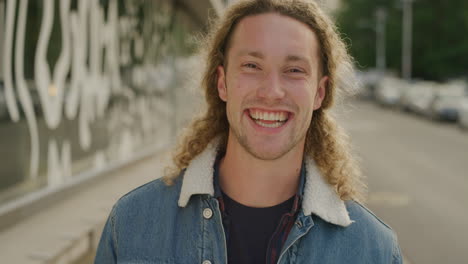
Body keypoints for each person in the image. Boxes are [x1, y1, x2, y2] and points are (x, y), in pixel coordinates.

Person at [95, 0, 402, 263]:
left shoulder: (372, 250)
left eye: (294, 70)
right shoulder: (132, 224)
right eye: (252, 66)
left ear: (319, 93)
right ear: (222, 82)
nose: (272, 91)